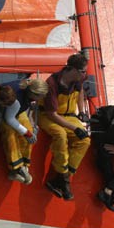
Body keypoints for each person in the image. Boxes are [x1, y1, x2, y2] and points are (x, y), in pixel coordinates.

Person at [38, 52, 90, 200]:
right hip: (48, 115)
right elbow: (52, 114)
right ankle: (64, 180)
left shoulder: (79, 77)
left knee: (85, 140)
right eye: (82, 71)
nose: (85, 74)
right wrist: (75, 128)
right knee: (60, 134)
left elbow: (79, 92)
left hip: (68, 116)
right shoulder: (52, 84)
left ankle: (60, 179)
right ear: (72, 70)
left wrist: (82, 112)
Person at [0, 77, 49, 185]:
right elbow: (9, 119)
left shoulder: (27, 92)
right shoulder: (16, 97)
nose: (42, 99)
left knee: (29, 129)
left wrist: (30, 128)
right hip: (2, 113)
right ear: (34, 94)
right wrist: (26, 133)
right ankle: (15, 168)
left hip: (16, 112)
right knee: (10, 134)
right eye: (41, 96)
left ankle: (24, 163)